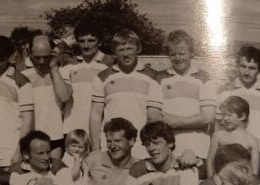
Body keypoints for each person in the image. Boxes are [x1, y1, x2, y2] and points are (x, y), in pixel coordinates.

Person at [89, 29, 163, 159]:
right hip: (111, 145)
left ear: (138, 49)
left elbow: (154, 118)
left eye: (129, 48)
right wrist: (95, 149)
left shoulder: (153, 77)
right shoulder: (101, 77)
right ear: (114, 53)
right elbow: (95, 114)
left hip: (141, 147)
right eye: (121, 50)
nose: (126, 54)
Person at [156, 30, 217, 175]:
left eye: (182, 53)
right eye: (173, 54)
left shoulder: (205, 78)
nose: (177, 58)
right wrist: (195, 119)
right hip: (168, 151)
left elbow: (208, 117)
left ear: (191, 53)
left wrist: (174, 122)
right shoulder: (159, 78)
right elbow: (153, 116)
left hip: (199, 149)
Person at [219, 46, 260, 177]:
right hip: (231, 154)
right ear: (238, 66)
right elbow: (218, 128)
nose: (246, 72)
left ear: (259, 70)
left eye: (252, 68)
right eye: (243, 66)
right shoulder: (226, 93)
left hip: (259, 155)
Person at [0, 35, 34, 168]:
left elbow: (27, 119)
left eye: (3, 60)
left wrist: (19, 150)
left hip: (10, 147)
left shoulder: (21, 81)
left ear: (10, 57)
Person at [21, 35, 73, 160]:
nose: (42, 62)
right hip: (30, 138)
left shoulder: (61, 72)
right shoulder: (22, 76)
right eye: (37, 57)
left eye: (46, 57)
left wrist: (54, 69)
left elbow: (65, 96)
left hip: (54, 137)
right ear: (29, 53)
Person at [60, 23, 110, 136]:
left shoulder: (109, 65)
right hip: (72, 130)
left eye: (91, 40)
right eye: (82, 41)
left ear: (100, 42)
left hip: (101, 131)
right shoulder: (69, 65)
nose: (86, 45)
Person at [207, 96, 260, 177]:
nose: (225, 118)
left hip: (242, 181)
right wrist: (210, 181)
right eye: (224, 115)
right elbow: (210, 161)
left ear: (242, 116)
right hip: (221, 179)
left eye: (229, 115)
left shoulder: (252, 140)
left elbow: (254, 170)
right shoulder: (218, 136)